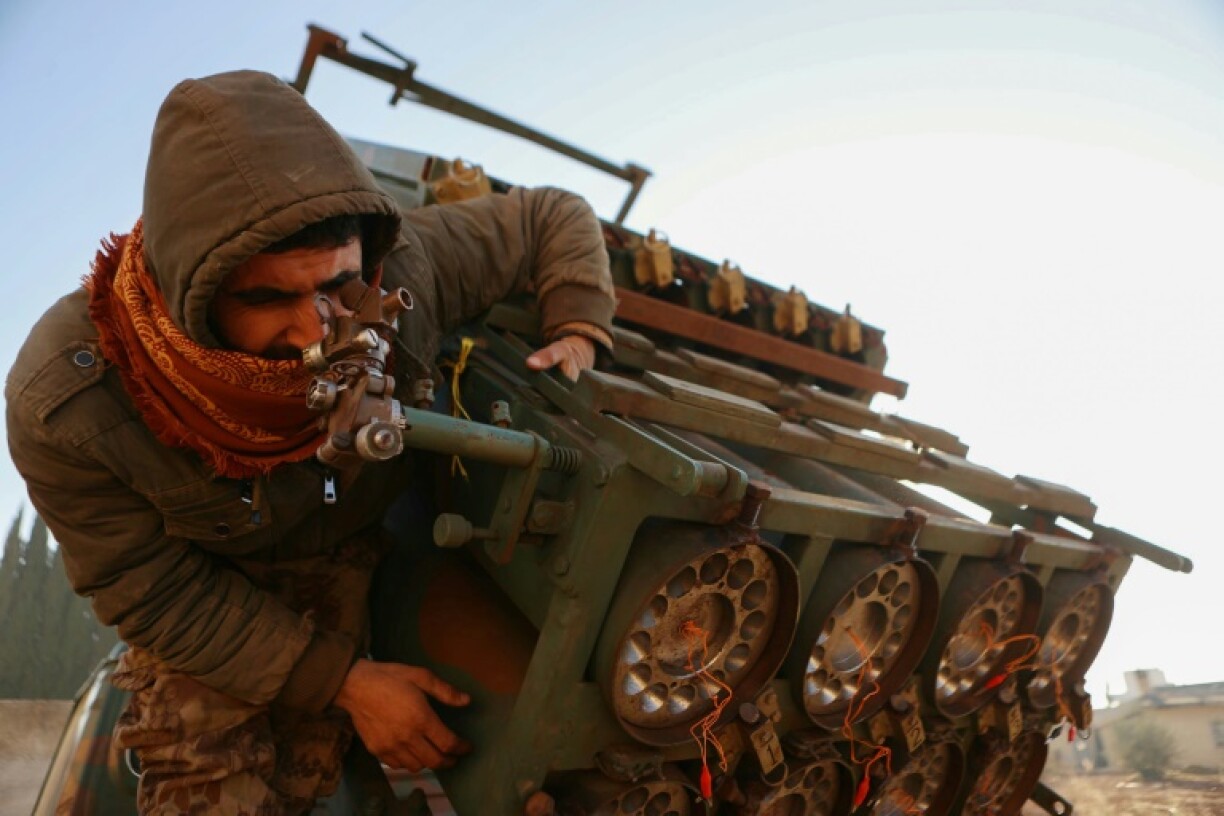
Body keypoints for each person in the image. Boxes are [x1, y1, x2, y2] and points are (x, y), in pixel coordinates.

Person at [6, 70, 615, 814]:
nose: (312, 332)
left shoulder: (411, 265)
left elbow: (552, 215)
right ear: (187, 291)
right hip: (212, 585)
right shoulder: (69, 402)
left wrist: (580, 324)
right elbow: (149, 588)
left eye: (337, 287)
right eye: (267, 299)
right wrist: (347, 684)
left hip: (356, 548)